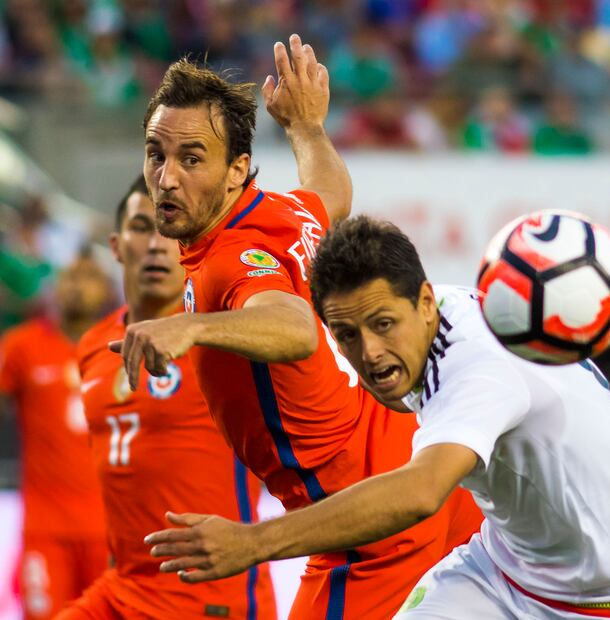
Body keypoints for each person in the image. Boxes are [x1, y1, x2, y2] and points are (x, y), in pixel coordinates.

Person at [145, 216, 610, 619]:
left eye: (381, 325)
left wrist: (255, 542)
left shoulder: (481, 368)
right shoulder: (426, 318)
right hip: (505, 574)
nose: (368, 352)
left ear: (426, 302)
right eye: (346, 334)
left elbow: (417, 492)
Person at [113, 35, 483, 619]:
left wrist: (190, 328)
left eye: (191, 158)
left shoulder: (230, 261)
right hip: (420, 475)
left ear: (236, 170)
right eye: (156, 154)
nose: (165, 178)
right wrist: (307, 128)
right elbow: (332, 192)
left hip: (367, 532)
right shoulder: (283, 210)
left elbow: (292, 327)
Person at [56, 177, 276, 619]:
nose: (157, 243)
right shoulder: (93, 345)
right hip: (121, 588)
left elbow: (293, 330)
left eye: (168, 228)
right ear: (116, 246)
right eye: (142, 226)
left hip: (208, 596)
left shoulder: (220, 333)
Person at [0, 255, 110, 620]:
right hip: (46, 530)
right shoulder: (22, 346)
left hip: (111, 530)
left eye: (89, 276)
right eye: (69, 276)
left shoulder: (122, 347)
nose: (77, 285)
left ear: (106, 290)